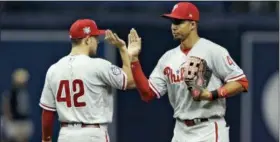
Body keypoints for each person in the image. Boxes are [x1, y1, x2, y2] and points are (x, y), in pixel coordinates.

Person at [128, 2, 249, 142]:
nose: (174, 26)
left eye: (179, 22)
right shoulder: (168, 58)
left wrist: (211, 94)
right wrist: (134, 59)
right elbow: (147, 94)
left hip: (209, 128)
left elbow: (241, 82)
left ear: (193, 24)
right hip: (181, 130)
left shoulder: (212, 51)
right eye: (172, 22)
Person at [39, 19, 134, 142]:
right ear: (87, 40)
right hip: (93, 134)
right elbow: (130, 81)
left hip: (66, 135)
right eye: (95, 38)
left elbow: (48, 112)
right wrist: (122, 49)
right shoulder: (99, 65)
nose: (97, 42)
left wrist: (46, 139)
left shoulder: (54, 69)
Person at [2, 68, 33, 142]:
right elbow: (6, 106)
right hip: (15, 123)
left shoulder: (24, 93)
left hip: (24, 122)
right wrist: (9, 120)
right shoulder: (11, 93)